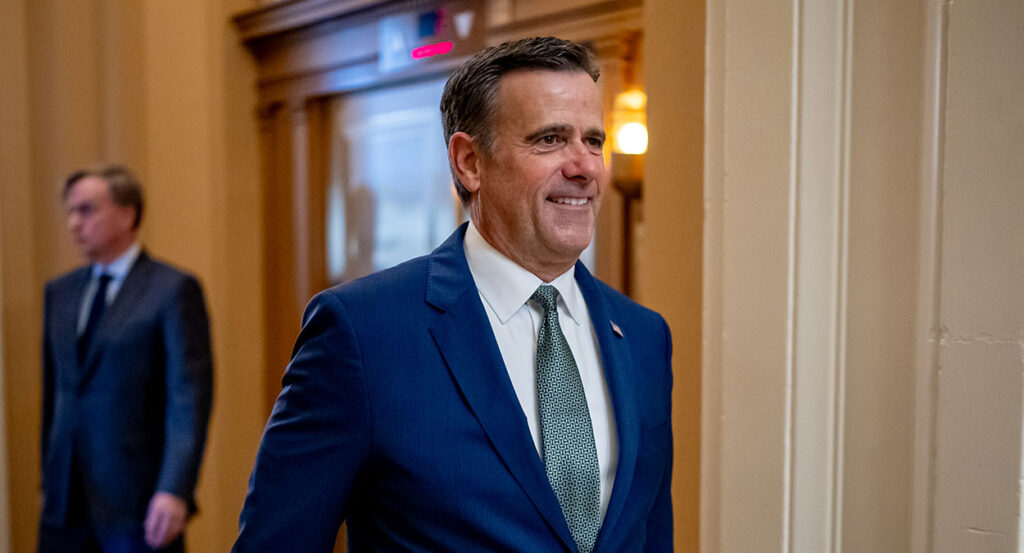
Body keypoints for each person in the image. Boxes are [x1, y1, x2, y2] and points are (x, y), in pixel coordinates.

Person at [232, 36, 673, 552]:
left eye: (594, 141)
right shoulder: (363, 333)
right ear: (469, 162)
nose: (585, 167)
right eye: (551, 139)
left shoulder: (643, 337)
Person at [39, 165, 214, 553]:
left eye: (86, 210)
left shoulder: (171, 289)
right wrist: (47, 479)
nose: (73, 223)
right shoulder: (60, 293)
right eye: (70, 212)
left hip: (138, 503)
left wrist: (174, 488)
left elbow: (188, 399)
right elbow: (54, 397)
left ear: (127, 213)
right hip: (64, 504)